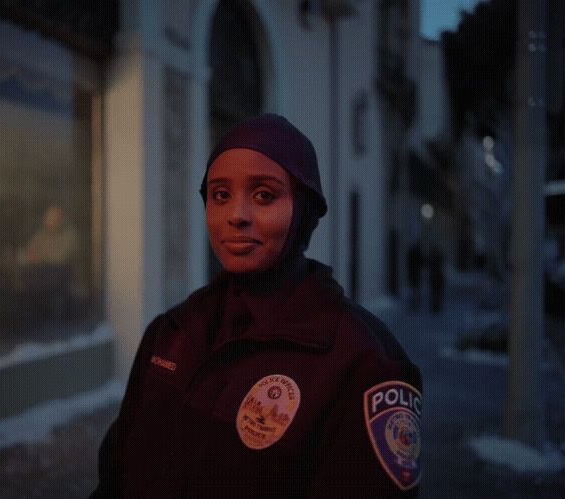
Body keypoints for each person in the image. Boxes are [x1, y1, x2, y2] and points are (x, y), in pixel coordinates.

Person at [92, 114, 422, 497]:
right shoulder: (171, 334)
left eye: (264, 195)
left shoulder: (364, 363)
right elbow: (115, 476)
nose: (236, 215)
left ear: (304, 212)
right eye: (220, 195)